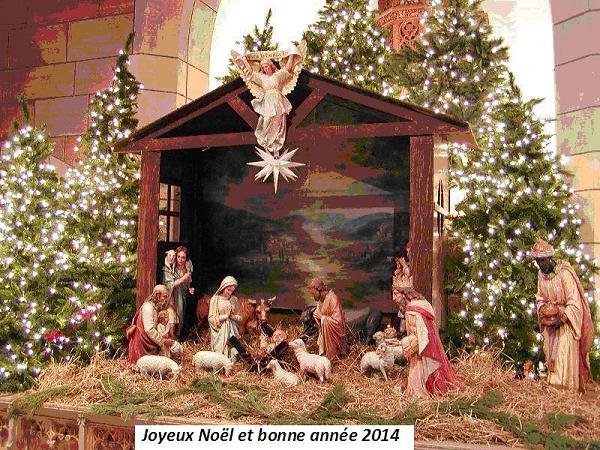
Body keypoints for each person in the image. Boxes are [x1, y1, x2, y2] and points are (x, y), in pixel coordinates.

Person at [531, 239, 594, 392]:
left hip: (566, 323)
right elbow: (540, 296)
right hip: (550, 322)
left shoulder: (564, 274)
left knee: (562, 356)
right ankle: (553, 390)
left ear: (549, 258)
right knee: (551, 358)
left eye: (542, 260)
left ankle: (565, 390)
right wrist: (543, 310)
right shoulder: (541, 275)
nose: (540, 265)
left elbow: (574, 302)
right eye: (538, 261)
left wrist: (562, 318)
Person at [392, 257, 458, 397]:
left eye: (396, 294)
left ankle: (421, 394)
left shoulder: (413, 311)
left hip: (422, 352)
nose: (393, 298)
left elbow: (422, 335)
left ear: (404, 294)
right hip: (418, 351)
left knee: (417, 383)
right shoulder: (414, 307)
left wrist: (406, 344)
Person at [127, 285, 174, 364]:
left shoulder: (154, 307)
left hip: (150, 340)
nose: (166, 300)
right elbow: (149, 329)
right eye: (164, 296)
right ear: (158, 296)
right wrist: (163, 341)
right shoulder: (148, 308)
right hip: (143, 345)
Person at [307, 277, 347, 360]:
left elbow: (338, 322)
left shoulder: (333, 299)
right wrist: (317, 317)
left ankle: (332, 355)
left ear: (319, 290)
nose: (313, 297)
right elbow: (319, 314)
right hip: (325, 337)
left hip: (333, 340)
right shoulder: (321, 301)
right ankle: (325, 353)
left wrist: (322, 318)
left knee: (325, 320)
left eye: (314, 294)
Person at [163, 246, 195, 338]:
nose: (180, 259)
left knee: (181, 315)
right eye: (178, 257)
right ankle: (171, 336)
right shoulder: (169, 268)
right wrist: (183, 279)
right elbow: (170, 285)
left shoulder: (187, 268)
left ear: (186, 258)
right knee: (172, 317)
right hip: (172, 298)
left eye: (183, 257)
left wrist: (190, 289)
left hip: (183, 296)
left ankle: (178, 335)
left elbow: (189, 283)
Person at [208, 276, 243, 360]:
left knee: (234, 349)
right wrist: (224, 317)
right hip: (220, 330)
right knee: (219, 355)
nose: (230, 293)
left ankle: (231, 361)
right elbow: (211, 318)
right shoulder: (215, 299)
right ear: (223, 287)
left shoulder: (234, 299)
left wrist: (231, 316)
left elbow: (240, 317)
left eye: (232, 291)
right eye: (228, 290)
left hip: (232, 329)